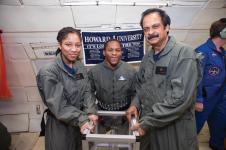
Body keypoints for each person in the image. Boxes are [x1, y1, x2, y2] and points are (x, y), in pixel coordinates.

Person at [126, 8, 200, 150]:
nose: (150, 32)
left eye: (155, 26)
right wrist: (135, 104)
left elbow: (179, 99)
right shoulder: (147, 57)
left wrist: (147, 122)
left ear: (167, 27)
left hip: (174, 128)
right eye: (146, 29)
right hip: (150, 126)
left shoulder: (184, 53)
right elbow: (141, 86)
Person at [36, 27, 98, 150]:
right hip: (61, 124)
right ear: (59, 45)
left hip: (81, 120)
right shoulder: (48, 72)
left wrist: (90, 111)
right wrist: (82, 119)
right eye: (68, 44)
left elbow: (87, 90)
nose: (74, 49)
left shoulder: (79, 66)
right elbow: (59, 105)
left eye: (78, 45)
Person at [88, 39, 136, 134]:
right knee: (97, 144)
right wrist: (91, 110)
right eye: (110, 50)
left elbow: (136, 92)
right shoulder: (94, 71)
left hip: (124, 116)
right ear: (104, 52)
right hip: (102, 116)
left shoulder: (131, 71)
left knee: (125, 145)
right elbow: (89, 92)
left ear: (121, 52)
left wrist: (134, 106)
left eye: (117, 50)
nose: (114, 53)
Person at [195, 18, 226, 150]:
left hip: (220, 98)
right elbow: (196, 78)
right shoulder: (202, 51)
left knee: (220, 125)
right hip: (204, 99)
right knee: (193, 129)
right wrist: (197, 99)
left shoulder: (222, 53)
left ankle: (216, 145)